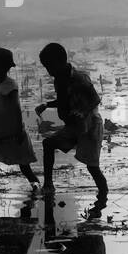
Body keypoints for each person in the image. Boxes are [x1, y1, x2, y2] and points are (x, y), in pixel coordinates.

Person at [35, 42, 107, 199]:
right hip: (74, 125)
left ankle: (103, 195)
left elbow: (94, 100)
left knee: (92, 168)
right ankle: (48, 184)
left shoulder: (79, 79)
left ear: (60, 62)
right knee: (48, 144)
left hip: (90, 125)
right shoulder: (59, 80)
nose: (48, 71)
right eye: (46, 67)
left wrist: (81, 112)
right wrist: (47, 105)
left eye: (50, 66)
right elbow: (64, 101)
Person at [0, 46, 38, 194]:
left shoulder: (10, 87)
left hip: (14, 134)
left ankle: (37, 188)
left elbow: (15, 110)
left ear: (2, 67)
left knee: (25, 168)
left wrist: (18, 132)